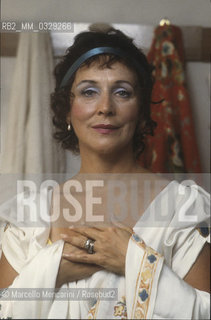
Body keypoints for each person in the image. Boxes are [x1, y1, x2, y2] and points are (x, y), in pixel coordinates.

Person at [0, 27, 210, 319]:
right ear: (67, 110)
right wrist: (53, 269)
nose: (105, 107)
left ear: (140, 113)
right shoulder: (29, 215)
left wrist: (133, 261)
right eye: (89, 92)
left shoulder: (180, 208)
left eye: (122, 92)